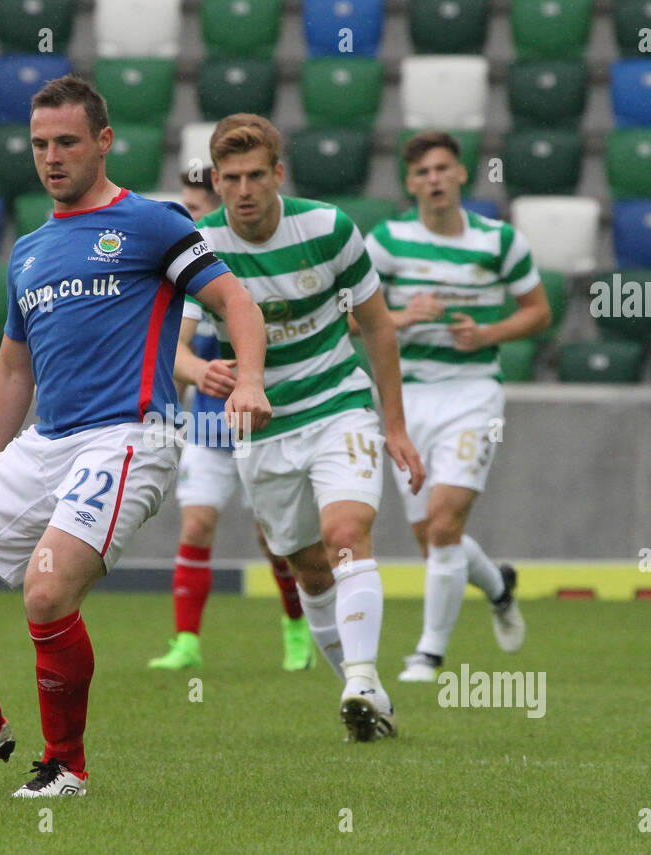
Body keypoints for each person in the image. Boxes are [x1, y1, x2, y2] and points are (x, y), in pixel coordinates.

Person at [0, 77, 271, 797]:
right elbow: (12, 371)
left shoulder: (153, 223)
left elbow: (234, 299)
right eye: (40, 144)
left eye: (67, 141)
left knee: (45, 592)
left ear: (104, 141)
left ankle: (65, 764)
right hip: (47, 441)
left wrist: (251, 380)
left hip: (129, 436)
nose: (51, 157)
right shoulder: (30, 251)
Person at [193, 113, 425, 742]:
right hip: (261, 428)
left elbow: (377, 326)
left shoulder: (328, 228)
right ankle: (368, 700)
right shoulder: (201, 246)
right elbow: (171, 343)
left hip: (337, 405)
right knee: (309, 570)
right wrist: (198, 369)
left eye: (255, 176)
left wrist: (395, 426)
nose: (244, 190)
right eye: (231, 178)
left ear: (278, 174)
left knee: (346, 531)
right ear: (216, 181)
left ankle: (361, 677)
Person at [363, 130, 549, 683]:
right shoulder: (388, 242)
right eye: (422, 172)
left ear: (462, 175)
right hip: (406, 398)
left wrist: (489, 332)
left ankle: (428, 655)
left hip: (473, 397)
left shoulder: (499, 241)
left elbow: (538, 313)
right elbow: (349, 316)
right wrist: (402, 317)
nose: (434, 180)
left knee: (444, 525)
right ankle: (498, 587)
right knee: (430, 537)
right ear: (409, 183)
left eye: (443, 168)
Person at [147, 166, 314, 672]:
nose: (189, 221)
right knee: (196, 524)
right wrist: (196, 376)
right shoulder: (175, 277)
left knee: (275, 540)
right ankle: (186, 642)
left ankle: (296, 625)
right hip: (206, 428)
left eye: (196, 210)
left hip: (266, 428)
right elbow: (167, 350)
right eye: (184, 210)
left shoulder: (248, 268)